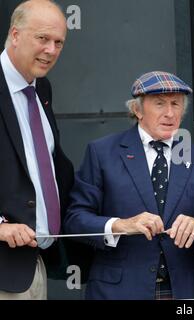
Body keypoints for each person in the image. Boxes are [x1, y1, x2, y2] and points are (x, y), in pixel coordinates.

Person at [64, 71, 194, 300]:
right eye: (160, 104)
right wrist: (121, 225)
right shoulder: (102, 153)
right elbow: (75, 220)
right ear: (137, 110)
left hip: (184, 292)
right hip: (118, 291)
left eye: (176, 104)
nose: (170, 113)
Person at [0, 0, 74, 300]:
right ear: (15, 35)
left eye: (59, 42)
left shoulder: (41, 89)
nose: (51, 50)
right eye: (42, 38)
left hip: (33, 267)